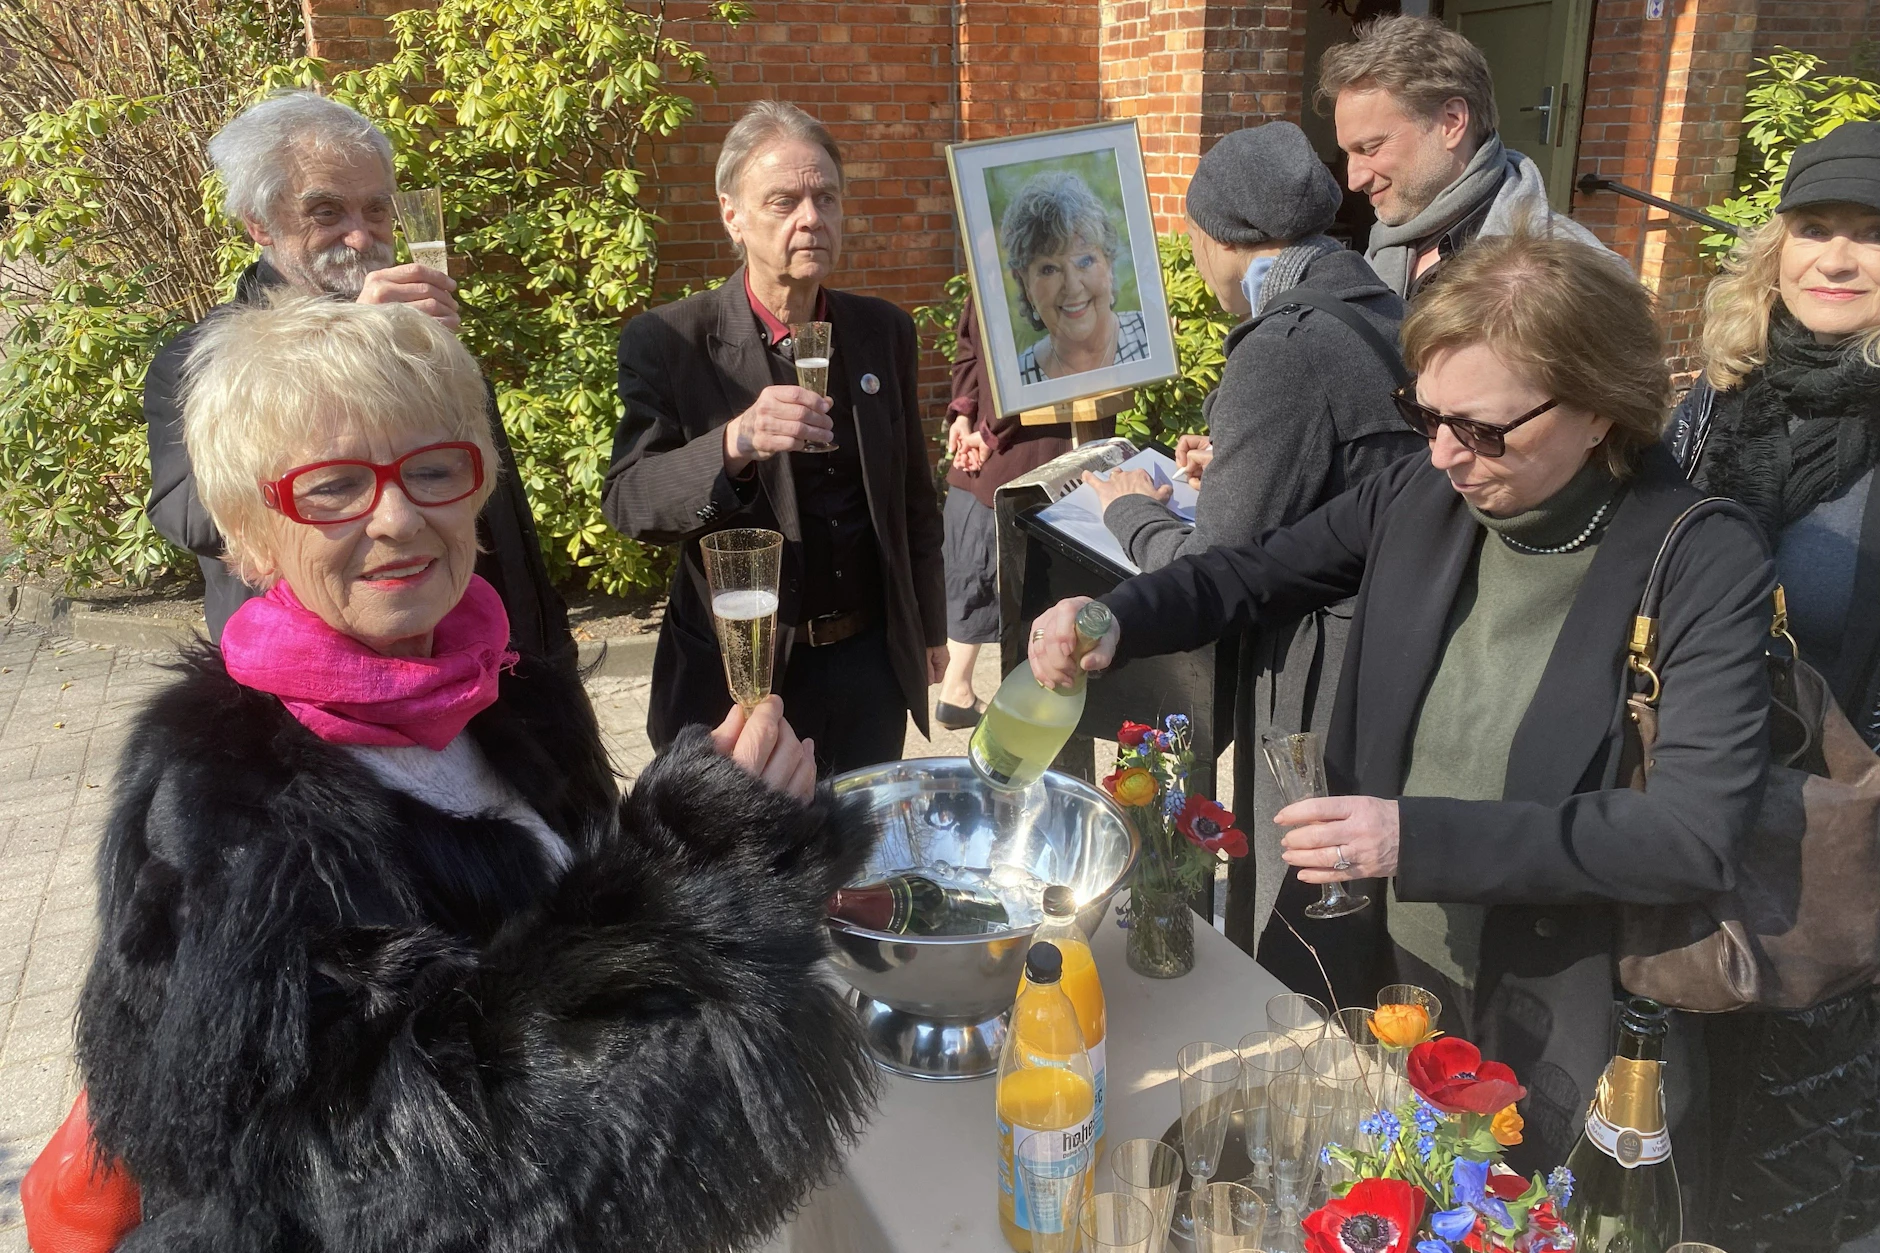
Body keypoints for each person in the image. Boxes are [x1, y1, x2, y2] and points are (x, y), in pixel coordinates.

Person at [77, 294, 876, 1252]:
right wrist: (686, 869)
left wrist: (742, 845)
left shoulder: (511, 695)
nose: (399, 516)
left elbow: (581, 922)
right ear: (252, 534)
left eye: (433, 469)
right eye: (334, 486)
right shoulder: (227, 808)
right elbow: (377, 1192)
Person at [1028, 232, 1775, 1174]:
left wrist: (1412, 838)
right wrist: (1116, 617)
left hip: (1545, 1006)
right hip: (1365, 961)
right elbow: (1254, 573)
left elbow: (1692, 832)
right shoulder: (1424, 489)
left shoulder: (1701, 555)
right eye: (1424, 413)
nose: (1446, 453)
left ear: (1598, 411)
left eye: (1483, 429)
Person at [1078, 121, 1421, 997]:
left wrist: (1127, 511)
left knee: (1305, 931)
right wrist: (1231, 466)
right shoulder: (1383, 303)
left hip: (1320, 685)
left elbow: (1214, 569)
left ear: (1216, 238)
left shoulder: (1285, 346)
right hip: (1396, 654)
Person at [143, 89, 571, 662]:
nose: (361, 236)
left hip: (494, 659)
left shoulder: (417, 332)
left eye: (375, 209)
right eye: (326, 212)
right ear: (259, 223)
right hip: (325, 680)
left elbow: (490, 504)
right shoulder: (202, 357)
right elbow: (187, 516)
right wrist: (345, 350)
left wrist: (547, 646)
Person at [1667, 121, 1880, 1253]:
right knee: (1673, 1109)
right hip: (1689, 811)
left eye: (1869, 235)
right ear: (1777, 246)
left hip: (1836, 838)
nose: (1835, 257)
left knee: (1785, 1151)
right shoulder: (1718, 400)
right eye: (1814, 228)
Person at [605, 101, 946, 772]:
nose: (811, 218)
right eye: (784, 201)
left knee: (859, 829)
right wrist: (734, 441)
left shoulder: (882, 331)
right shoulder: (672, 342)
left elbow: (913, 496)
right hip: (741, 681)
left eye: (826, 198)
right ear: (732, 214)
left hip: (869, 668)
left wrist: (930, 627)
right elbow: (630, 500)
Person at [1318, 14, 1621, 300]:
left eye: (1370, 148)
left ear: (1452, 122)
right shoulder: (1386, 246)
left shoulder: (1577, 279)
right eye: (1348, 154)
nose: (1354, 181)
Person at [934, 292, 1073, 729]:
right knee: (1016, 577)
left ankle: (958, 689)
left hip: (1003, 447)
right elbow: (1014, 366)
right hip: (1017, 448)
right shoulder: (1006, 279)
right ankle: (996, 699)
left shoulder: (991, 277)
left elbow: (975, 357)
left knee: (978, 561)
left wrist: (972, 423)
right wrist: (972, 423)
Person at [1001, 171, 1153, 383]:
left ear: (1109, 265)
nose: (1072, 287)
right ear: (1027, 286)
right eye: (1049, 269)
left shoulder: (1154, 337)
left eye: (1085, 261)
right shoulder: (1016, 381)